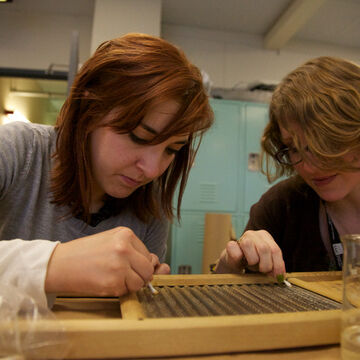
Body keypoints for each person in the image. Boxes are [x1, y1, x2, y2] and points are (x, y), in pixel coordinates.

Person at [0, 33, 213, 308]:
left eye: (171, 149)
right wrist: (54, 263)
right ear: (90, 107)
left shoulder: (151, 205)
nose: (151, 170)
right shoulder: (17, 149)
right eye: (139, 137)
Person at [214, 56, 360, 277]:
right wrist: (231, 263)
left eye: (325, 144)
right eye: (294, 148)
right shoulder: (281, 206)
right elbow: (223, 302)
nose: (309, 167)